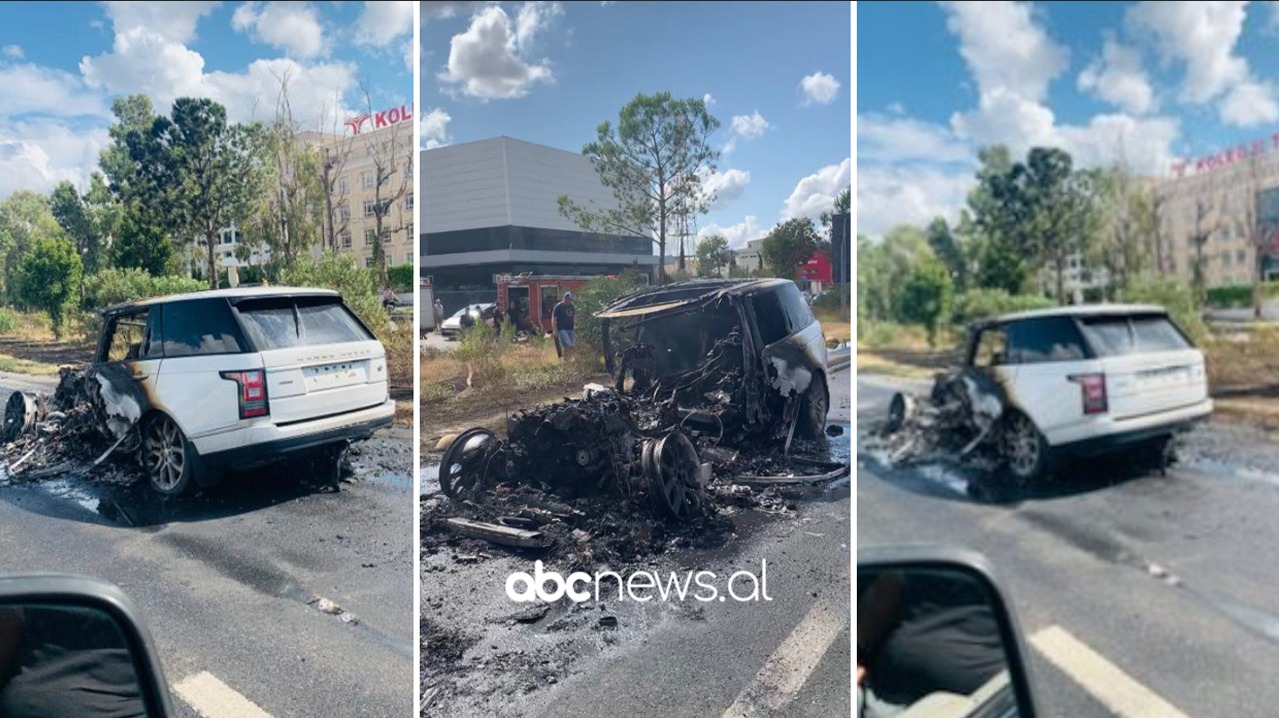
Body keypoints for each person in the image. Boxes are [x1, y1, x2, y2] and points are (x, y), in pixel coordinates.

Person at [551, 291, 576, 362]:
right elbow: (554, 318)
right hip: (562, 329)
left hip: (571, 329)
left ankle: (567, 359)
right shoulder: (559, 307)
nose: (571, 301)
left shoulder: (572, 307)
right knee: (568, 345)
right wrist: (554, 329)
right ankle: (567, 360)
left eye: (571, 299)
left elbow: (573, 317)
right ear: (566, 298)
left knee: (572, 346)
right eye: (570, 299)